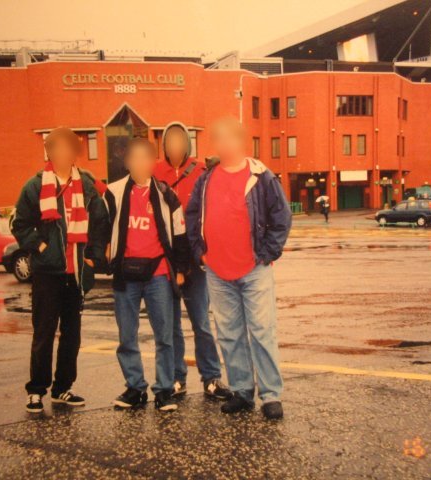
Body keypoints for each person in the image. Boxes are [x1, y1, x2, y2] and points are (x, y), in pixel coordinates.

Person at [185, 117, 292, 420]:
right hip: (218, 272)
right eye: (219, 138)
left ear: (240, 141)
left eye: (230, 138)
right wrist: (200, 253)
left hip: (254, 269)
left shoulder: (261, 176)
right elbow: (192, 217)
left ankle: (271, 395)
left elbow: (281, 217)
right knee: (230, 335)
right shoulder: (205, 180)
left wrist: (267, 253)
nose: (225, 144)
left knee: (262, 332)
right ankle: (243, 392)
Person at [12, 127, 110, 413]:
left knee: (72, 335)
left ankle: (63, 389)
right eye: (58, 149)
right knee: (43, 333)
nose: (63, 154)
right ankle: (36, 390)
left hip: (76, 273)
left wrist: (92, 259)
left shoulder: (87, 185)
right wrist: (41, 247)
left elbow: (100, 224)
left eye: (69, 149)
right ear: (50, 152)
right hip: (47, 273)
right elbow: (20, 224)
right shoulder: (35, 186)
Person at [104, 138, 190, 412]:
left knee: (164, 335)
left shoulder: (167, 195)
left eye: (147, 158)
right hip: (125, 273)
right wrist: (103, 249)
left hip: (159, 273)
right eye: (135, 158)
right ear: (127, 162)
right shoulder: (113, 193)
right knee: (127, 336)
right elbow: (101, 228)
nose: (141, 163)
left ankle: (164, 389)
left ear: (154, 162)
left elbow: (180, 235)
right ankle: (135, 388)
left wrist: (181, 270)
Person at [154, 122, 231, 400]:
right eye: (170, 139)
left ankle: (211, 378)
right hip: (167, 260)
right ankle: (176, 378)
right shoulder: (154, 172)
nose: (175, 144)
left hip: (195, 260)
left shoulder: (202, 169)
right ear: (164, 144)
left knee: (200, 321)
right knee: (171, 323)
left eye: (180, 139)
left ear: (187, 142)